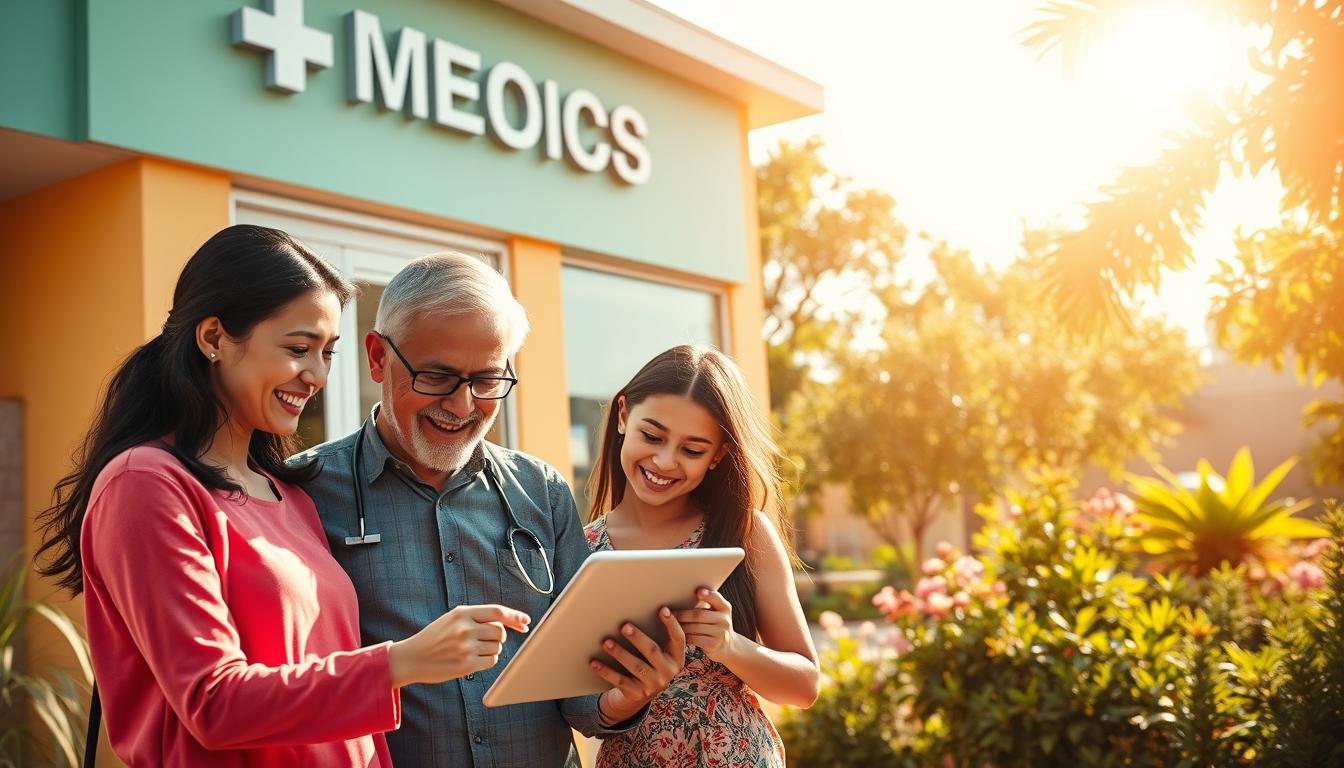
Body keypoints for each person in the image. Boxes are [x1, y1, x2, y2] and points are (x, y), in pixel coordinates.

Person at [33, 225, 532, 767]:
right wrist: (399, 662)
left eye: (327, 353)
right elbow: (212, 702)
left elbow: (342, 721)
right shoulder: (147, 484)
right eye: (298, 348)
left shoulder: (289, 493)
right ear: (214, 339)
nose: (316, 375)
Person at [294, 253, 687, 768]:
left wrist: (620, 700)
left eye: (487, 380)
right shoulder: (303, 492)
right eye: (436, 377)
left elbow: (579, 687)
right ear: (377, 357)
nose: (462, 406)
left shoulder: (541, 490)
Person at [583, 345, 821, 768]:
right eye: (652, 436)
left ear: (718, 455)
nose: (664, 460)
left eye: (692, 450)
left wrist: (730, 646)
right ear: (623, 415)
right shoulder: (582, 551)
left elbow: (804, 686)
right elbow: (577, 702)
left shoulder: (745, 533)